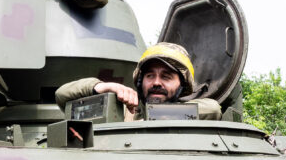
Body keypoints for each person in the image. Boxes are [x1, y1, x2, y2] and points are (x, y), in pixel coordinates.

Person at [54, 43, 222, 120]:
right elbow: (62, 95)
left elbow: (213, 109)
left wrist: (158, 114)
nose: (156, 82)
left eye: (166, 76)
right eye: (150, 75)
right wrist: (104, 86)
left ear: (182, 84)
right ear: (141, 81)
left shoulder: (192, 115)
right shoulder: (123, 112)